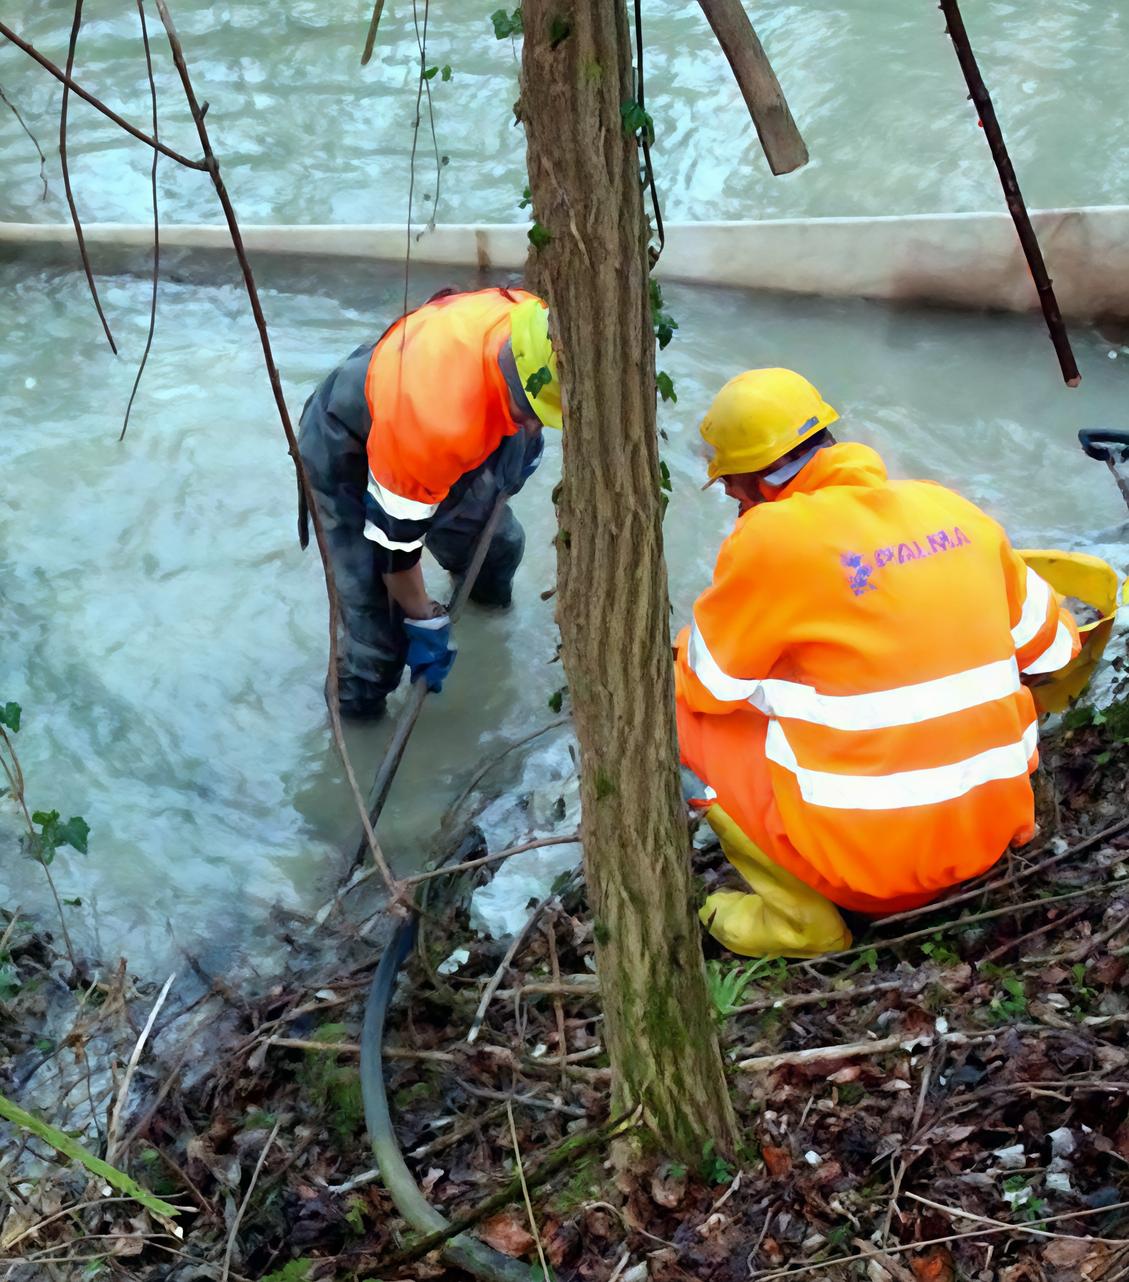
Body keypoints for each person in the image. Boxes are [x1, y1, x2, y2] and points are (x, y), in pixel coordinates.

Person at [675, 368, 1080, 958]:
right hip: (983, 843)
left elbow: (709, 686)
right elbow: (1056, 649)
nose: (732, 499)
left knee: (684, 710)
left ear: (755, 479)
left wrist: (692, 642)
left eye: (731, 486)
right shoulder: (951, 509)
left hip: (870, 879)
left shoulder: (770, 537)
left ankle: (800, 923)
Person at [297, 287, 561, 718]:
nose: (535, 425)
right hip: (345, 441)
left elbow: (527, 413)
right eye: (528, 413)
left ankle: (481, 618)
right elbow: (395, 555)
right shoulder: (435, 429)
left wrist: (519, 446)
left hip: (427, 404)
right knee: (378, 646)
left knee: (498, 548)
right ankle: (353, 722)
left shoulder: (534, 322)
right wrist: (425, 620)